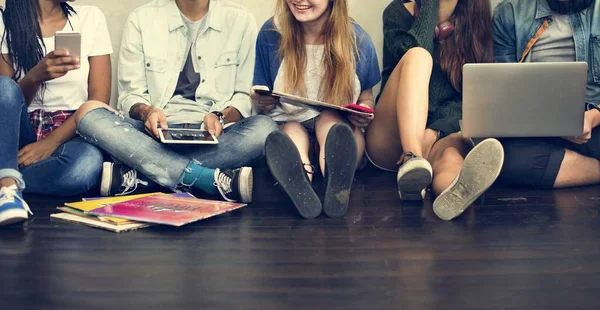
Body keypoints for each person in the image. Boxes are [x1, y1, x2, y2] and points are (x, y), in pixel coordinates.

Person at [74, 0, 278, 203]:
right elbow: (130, 95)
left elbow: (244, 97)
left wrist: (220, 117)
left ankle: (144, 177)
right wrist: (148, 112)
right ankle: (204, 178)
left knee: (265, 128)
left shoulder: (241, 20)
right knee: (89, 114)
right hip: (150, 136)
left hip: (214, 138)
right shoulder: (141, 18)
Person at [365, 0, 505, 221]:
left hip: (439, 136)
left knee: (450, 157)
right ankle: (413, 159)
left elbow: (470, 97)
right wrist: (431, 5)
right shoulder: (396, 13)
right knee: (419, 56)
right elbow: (413, 61)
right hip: (392, 136)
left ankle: (454, 192)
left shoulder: (477, 21)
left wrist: (435, 130)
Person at [251, 0, 381, 219]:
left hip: (340, 127)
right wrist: (260, 99)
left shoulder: (358, 40)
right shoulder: (271, 34)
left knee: (331, 122)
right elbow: (261, 89)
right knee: (291, 130)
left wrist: (364, 111)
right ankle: (300, 176)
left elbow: (366, 97)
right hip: (289, 120)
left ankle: (332, 173)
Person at [0, 0, 111, 226]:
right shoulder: (4, 20)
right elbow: (6, 100)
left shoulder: (90, 18)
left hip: (72, 129)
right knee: (3, 86)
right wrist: (35, 76)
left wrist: (50, 142)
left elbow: (97, 103)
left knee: (86, 167)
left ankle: (6, 178)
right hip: (20, 130)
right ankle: (7, 187)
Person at [493, 0, 600, 189]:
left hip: (593, 117)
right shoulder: (509, 12)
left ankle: (565, 165)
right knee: (505, 161)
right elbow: (506, 92)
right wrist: (551, 125)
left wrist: (591, 118)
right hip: (535, 123)